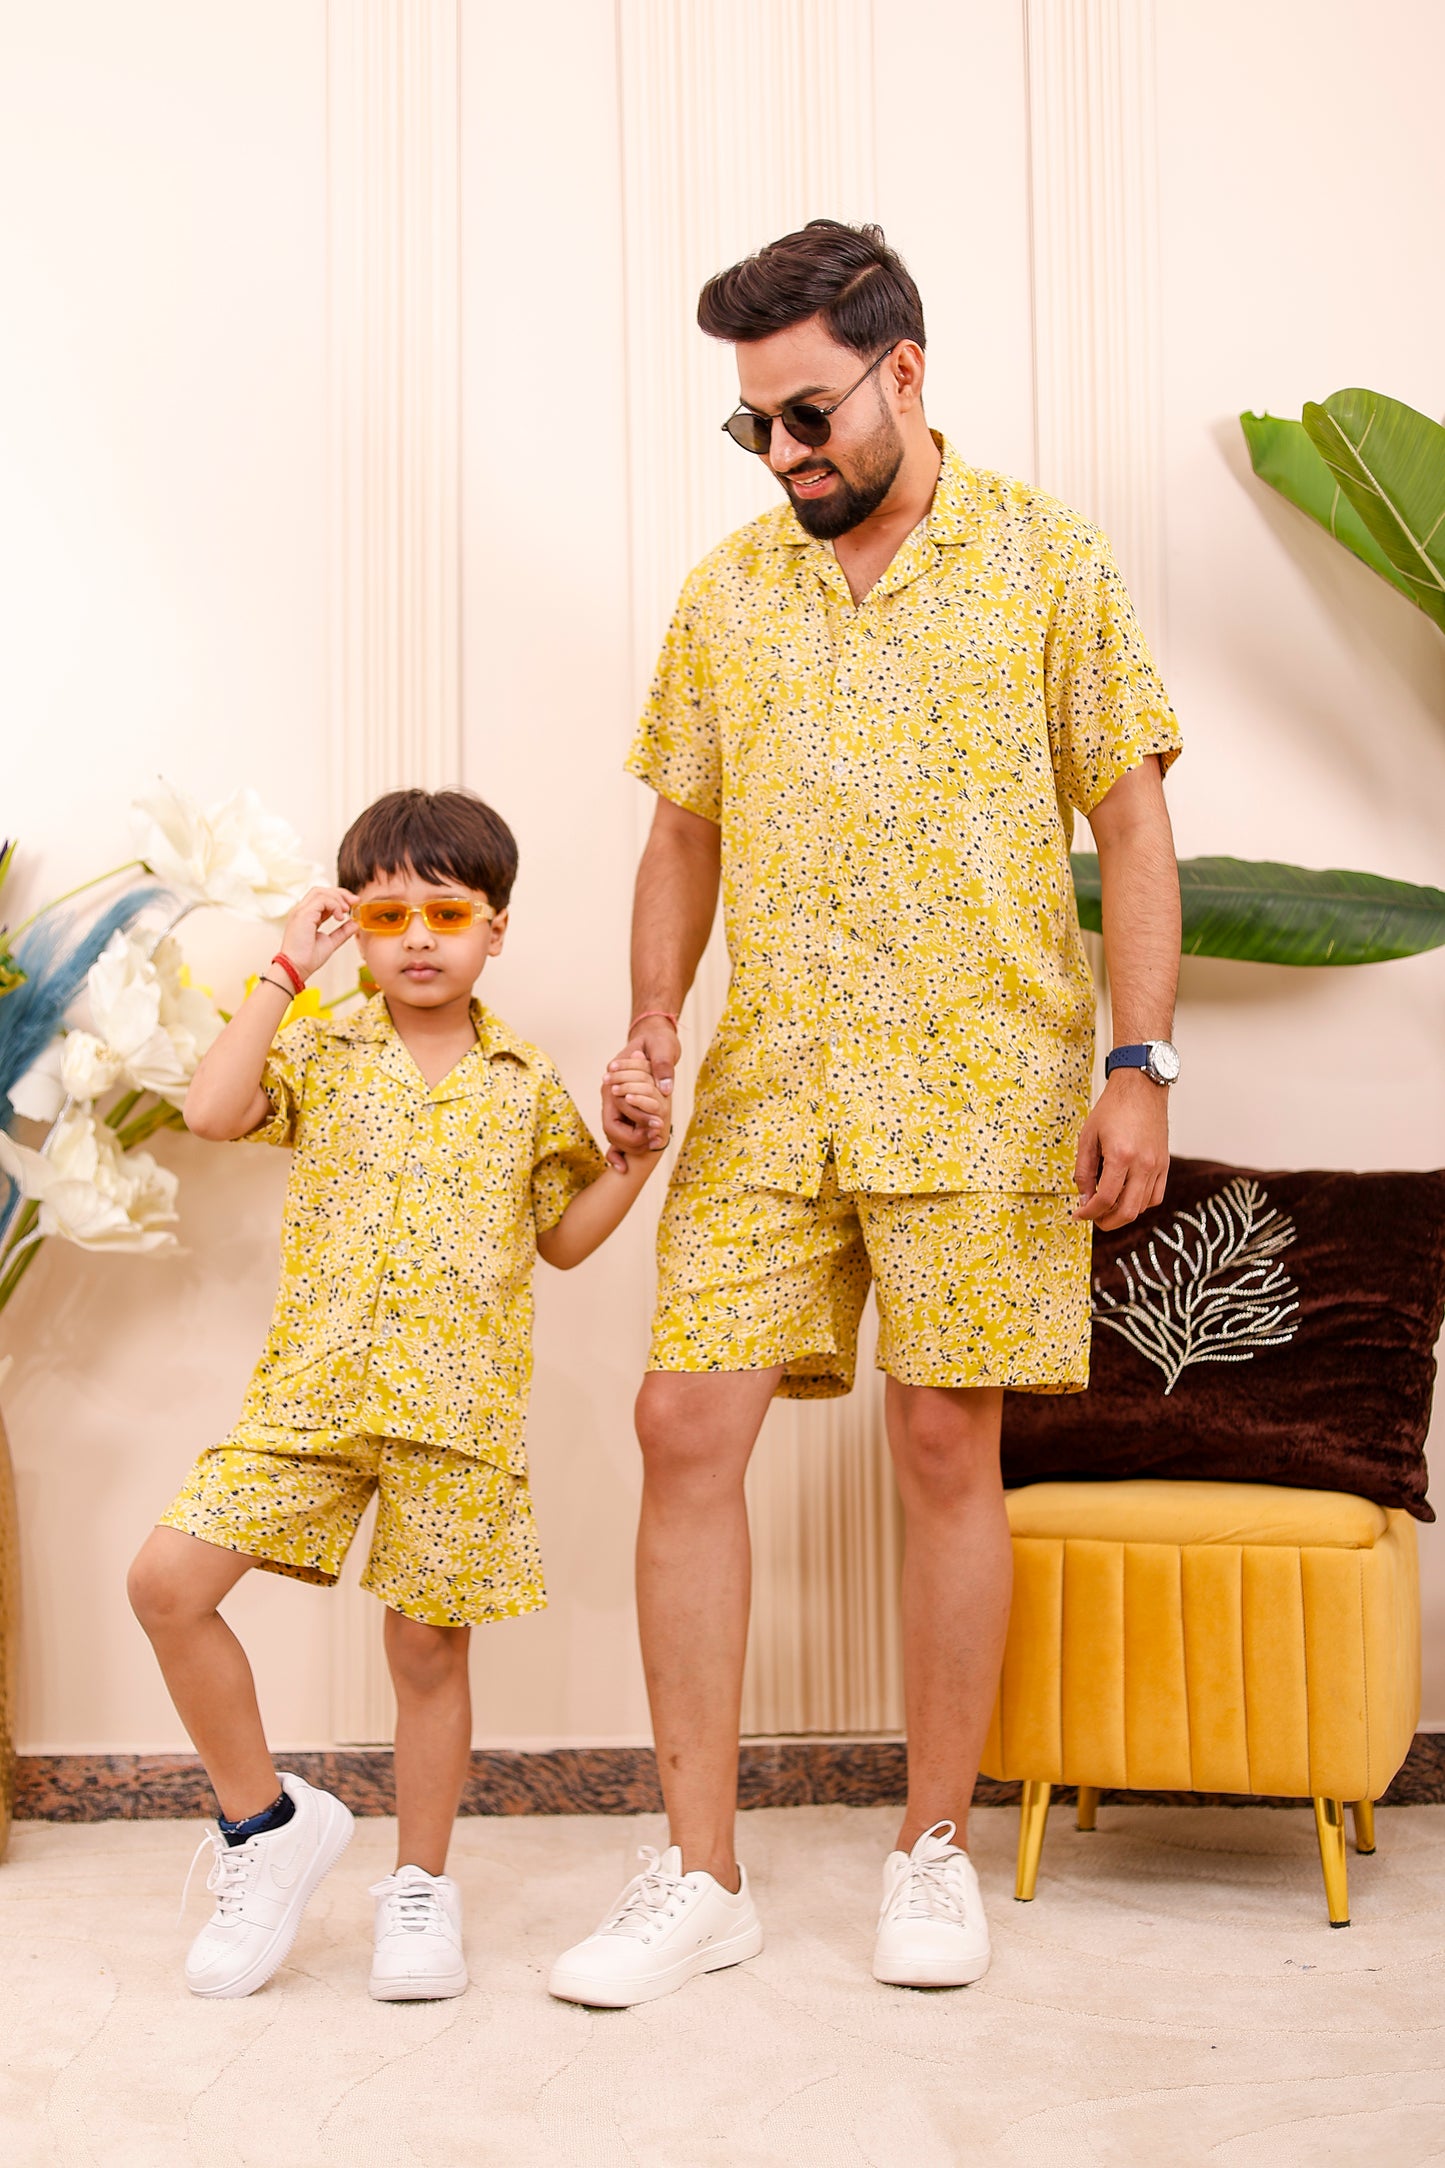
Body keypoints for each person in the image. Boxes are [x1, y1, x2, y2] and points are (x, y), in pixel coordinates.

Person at [550, 220, 1183, 2006]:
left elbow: (1129, 823)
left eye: (808, 414)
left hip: (986, 1078)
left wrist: (1139, 1060)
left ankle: (930, 1846)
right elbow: (685, 826)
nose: (783, 454)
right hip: (771, 1088)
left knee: (940, 1440)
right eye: (752, 425)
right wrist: (657, 1020)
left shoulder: (1047, 562)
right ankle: (699, 1870)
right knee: (686, 1421)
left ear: (905, 372)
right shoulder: (729, 589)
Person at [128, 787, 670, 2002]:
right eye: (387, 914)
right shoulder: (320, 1048)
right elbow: (212, 1111)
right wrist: (284, 964)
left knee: (426, 1649)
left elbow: (565, 1240)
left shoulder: (527, 1082)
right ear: (354, 925)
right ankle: (265, 1828)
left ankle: (419, 1887)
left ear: (495, 927)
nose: (417, 937)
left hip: (458, 1411)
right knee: (167, 1583)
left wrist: (631, 1159)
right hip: (311, 1396)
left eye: (446, 911)